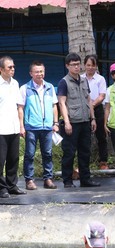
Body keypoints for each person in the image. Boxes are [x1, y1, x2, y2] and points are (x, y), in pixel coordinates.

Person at [57, 53, 100, 189]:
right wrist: (67, 122)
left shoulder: (83, 80)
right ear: (67, 66)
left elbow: (89, 100)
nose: (76, 67)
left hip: (85, 121)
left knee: (85, 152)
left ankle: (85, 179)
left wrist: (92, 118)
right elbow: (62, 103)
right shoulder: (64, 82)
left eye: (77, 64)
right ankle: (67, 181)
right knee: (69, 152)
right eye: (73, 65)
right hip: (72, 123)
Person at [17, 60, 59, 191]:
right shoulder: (25, 88)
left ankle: (48, 179)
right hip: (31, 127)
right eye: (36, 72)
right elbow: (20, 108)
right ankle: (29, 180)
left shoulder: (50, 87)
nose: (39, 74)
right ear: (31, 73)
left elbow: (54, 106)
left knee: (47, 153)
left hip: (47, 126)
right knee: (29, 154)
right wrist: (21, 126)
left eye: (41, 71)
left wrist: (55, 123)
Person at [0, 56, 24, 199]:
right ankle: (2, 188)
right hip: (1, 129)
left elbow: (19, 107)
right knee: (0, 160)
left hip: (14, 126)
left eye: (14, 67)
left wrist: (21, 126)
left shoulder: (15, 83)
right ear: (1, 69)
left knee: (13, 159)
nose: (13, 69)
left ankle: (12, 185)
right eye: (10, 67)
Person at [82, 54, 108, 170]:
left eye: (93, 65)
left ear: (96, 66)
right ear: (84, 65)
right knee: (84, 138)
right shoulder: (80, 78)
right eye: (88, 65)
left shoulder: (100, 79)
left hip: (97, 109)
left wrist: (91, 105)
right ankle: (84, 162)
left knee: (101, 136)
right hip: (83, 110)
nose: (90, 67)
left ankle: (103, 161)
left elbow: (102, 96)